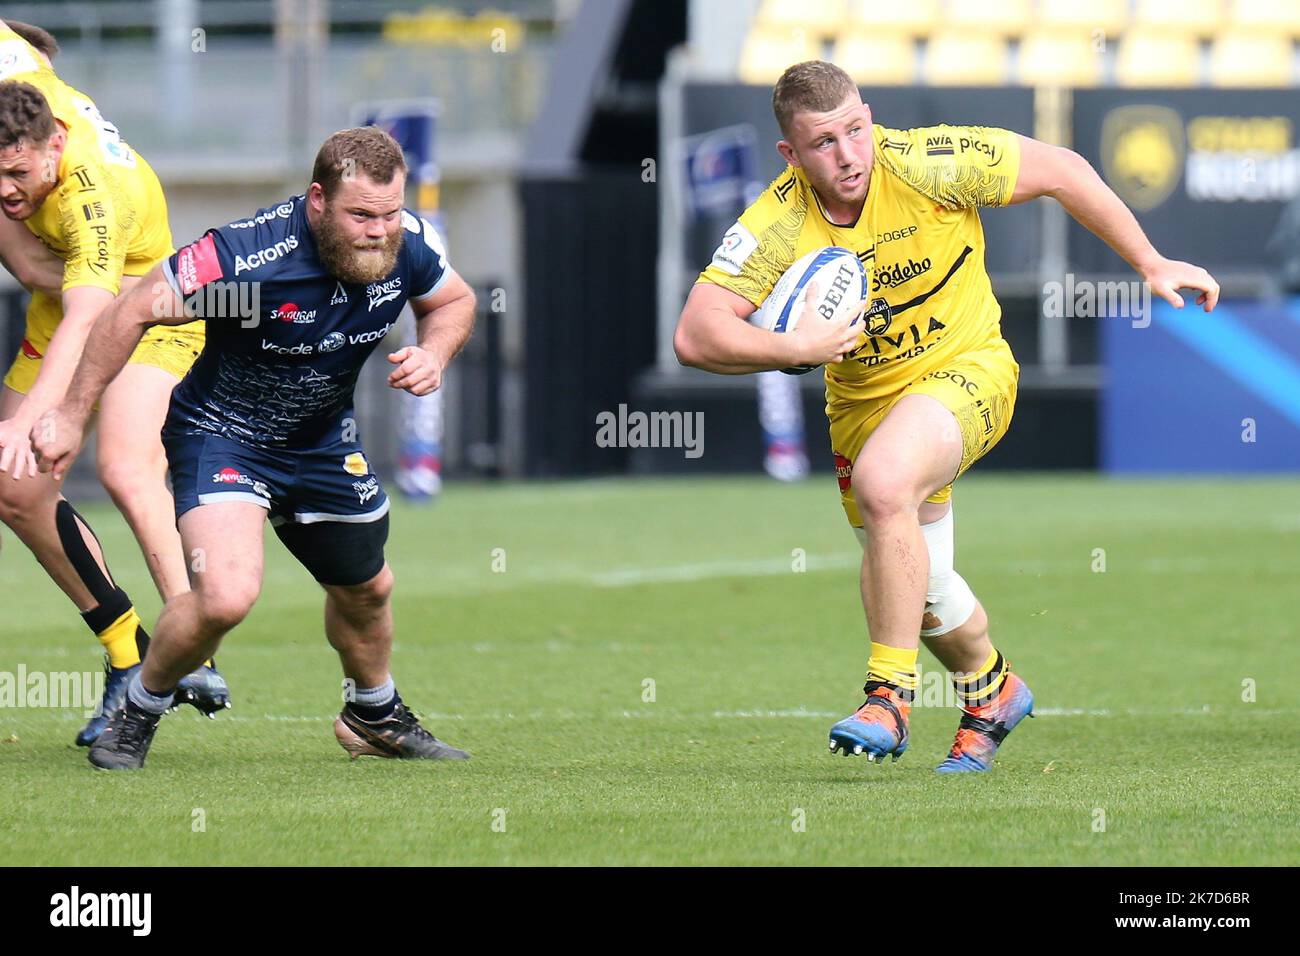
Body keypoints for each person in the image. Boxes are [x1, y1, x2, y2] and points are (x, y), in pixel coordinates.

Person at [673, 61, 1219, 772]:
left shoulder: (930, 162)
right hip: (863, 407)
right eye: (824, 144)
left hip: (968, 372)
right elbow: (695, 334)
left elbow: (1062, 168)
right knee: (923, 589)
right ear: (791, 154)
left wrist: (1148, 261)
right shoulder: (776, 223)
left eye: (855, 131)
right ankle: (991, 690)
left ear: (870, 116)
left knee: (885, 485)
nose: (848, 156)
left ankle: (888, 699)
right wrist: (791, 347)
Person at [35, 126, 478, 770]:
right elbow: (130, 311)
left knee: (367, 590)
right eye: (361, 215)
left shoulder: (406, 242)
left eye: (388, 214)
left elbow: (455, 301)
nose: (379, 231)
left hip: (322, 441)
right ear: (318, 200)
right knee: (225, 596)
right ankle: (140, 706)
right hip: (224, 436)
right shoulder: (244, 258)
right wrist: (73, 415)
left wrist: (435, 353)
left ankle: (373, 713)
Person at [0, 19, 229, 746]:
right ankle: (127, 649)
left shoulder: (93, 193)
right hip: (64, 293)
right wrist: (28, 263)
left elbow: (88, 317)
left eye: (17, 175)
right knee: (15, 488)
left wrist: (29, 420)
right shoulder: (14, 66)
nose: (7, 189)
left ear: (56, 146)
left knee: (127, 466)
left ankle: (192, 645)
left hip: (145, 303)